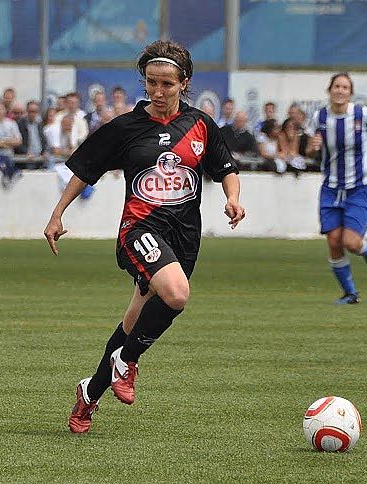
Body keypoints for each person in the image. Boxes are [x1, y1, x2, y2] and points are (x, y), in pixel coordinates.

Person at [44, 40, 244, 434]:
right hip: (139, 229)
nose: (157, 91)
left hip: (184, 237)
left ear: (184, 83)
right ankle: (127, 361)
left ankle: (90, 393)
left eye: (167, 84)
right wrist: (57, 213)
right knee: (177, 294)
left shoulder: (201, 125)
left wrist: (233, 199)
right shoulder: (125, 127)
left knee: (133, 320)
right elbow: (86, 169)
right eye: (151, 82)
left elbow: (226, 169)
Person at [305, 73, 367, 304]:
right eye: (336, 86)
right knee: (333, 241)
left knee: (351, 242)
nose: (340, 90)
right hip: (331, 187)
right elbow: (309, 149)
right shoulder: (319, 116)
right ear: (329, 90)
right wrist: (312, 147)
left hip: (358, 187)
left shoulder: (361, 114)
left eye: (345, 87)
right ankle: (351, 293)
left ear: (350, 93)